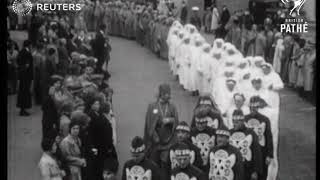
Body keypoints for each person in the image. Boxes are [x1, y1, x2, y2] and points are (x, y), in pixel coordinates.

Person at [144, 84, 179, 168]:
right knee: (154, 164)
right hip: (155, 141)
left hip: (169, 141)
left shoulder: (172, 106)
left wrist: (170, 120)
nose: (169, 96)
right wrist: (155, 137)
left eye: (169, 93)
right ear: (161, 94)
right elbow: (149, 124)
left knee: (165, 163)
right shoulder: (152, 106)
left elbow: (177, 121)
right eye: (166, 94)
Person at [245, 96, 274, 180]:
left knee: (262, 175)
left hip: (262, 152)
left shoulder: (265, 119)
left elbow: (269, 137)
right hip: (248, 153)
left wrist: (269, 155)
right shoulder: (244, 119)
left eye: (255, 108)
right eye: (251, 108)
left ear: (258, 108)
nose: (253, 110)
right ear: (249, 107)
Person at [229, 110, 263, 180]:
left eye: (236, 122)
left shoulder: (251, 133)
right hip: (233, 169)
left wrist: (255, 171)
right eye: (233, 122)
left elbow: (257, 152)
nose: (234, 124)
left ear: (242, 121)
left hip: (247, 169)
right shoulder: (230, 133)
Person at [190, 106, 216, 173]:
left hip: (210, 165)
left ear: (206, 122)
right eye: (197, 123)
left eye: (202, 123)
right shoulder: (191, 132)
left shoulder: (213, 131)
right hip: (196, 165)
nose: (200, 126)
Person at [16, 40, 33, 116]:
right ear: (29, 45)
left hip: (22, 76)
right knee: (25, 92)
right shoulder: (27, 53)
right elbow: (27, 65)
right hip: (26, 76)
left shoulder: (21, 52)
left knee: (22, 92)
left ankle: (22, 109)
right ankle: (23, 110)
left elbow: (18, 61)